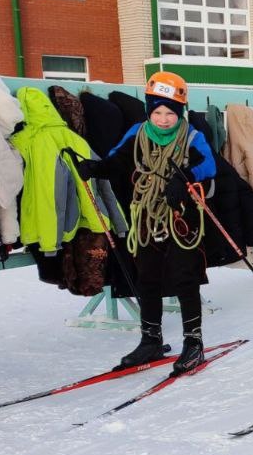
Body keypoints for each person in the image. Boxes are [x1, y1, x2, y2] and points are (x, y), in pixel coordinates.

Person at [74, 71, 216, 373]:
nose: (164, 119)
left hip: (180, 220)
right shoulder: (138, 132)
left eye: (170, 113)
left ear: (180, 113)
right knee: (147, 279)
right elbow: (117, 161)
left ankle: (194, 342)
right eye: (158, 112)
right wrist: (96, 168)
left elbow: (209, 165)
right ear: (149, 111)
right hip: (146, 220)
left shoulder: (192, 136)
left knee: (184, 277)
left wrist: (187, 177)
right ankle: (150, 339)